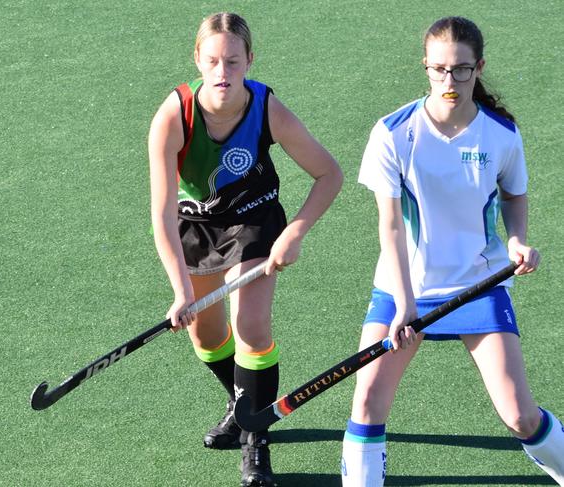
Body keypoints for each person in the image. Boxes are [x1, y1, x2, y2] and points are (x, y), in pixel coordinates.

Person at [341, 16, 564, 487]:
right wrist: (403, 304)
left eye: (461, 69)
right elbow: (391, 229)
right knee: (366, 402)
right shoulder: (392, 133)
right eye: (439, 69)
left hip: (475, 287)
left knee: (521, 417)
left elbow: (514, 194)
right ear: (425, 67)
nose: (450, 81)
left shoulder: (501, 134)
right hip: (405, 288)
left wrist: (517, 239)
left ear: (478, 67)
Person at [148, 12, 343, 487]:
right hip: (195, 229)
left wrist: (294, 231)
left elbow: (328, 173)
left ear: (249, 61)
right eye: (212, 60)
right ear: (197, 59)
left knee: (251, 327)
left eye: (232, 61)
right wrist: (180, 292)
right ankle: (243, 407)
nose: (222, 72)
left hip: (254, 222)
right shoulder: (174, 116)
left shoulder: (266, 108)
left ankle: (257, 444)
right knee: (207, 338)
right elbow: (162, 214)